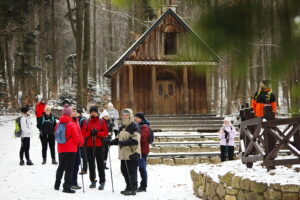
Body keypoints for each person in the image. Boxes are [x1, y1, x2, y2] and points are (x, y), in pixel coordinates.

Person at [109, 109, 141, 196]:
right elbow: (119, 139)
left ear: (130, 115)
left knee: (131, 171)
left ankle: (133, 188)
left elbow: (135, 140)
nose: (125, 116)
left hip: (132, 153)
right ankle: (128, 187)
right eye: (123, 115)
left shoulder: (135, 126)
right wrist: (110, 142)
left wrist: (124, 143)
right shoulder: (122, 126)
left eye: (127, 115)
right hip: (123, 153)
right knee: (124, 171)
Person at [54, 105, 84, 194]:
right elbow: (77, 137)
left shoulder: (58, 123)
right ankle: (66, 187)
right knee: (69, 169)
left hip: (61, 148)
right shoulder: (72, 124)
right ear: (70, 114)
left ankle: (57, 184)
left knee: (61, 167)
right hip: (71, 149)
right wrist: (81, 143)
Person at [82, 105, 108, 190]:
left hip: (99, 145)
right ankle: (93, 180)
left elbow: (105, 133)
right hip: (89, 145)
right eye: (92, 112)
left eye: (95, 112)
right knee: (91, 164)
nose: (93, 113)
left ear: (97, 112)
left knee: (100, 164)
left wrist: (97, 133)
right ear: (90, 113)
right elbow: (83, 133)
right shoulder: (86, 122)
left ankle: (102, 181)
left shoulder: (101, 121)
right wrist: (90, 133)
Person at [134, 112, 150, 192]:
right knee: (138, 168)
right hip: (137, 150)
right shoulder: (137, 126)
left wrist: (133, 137)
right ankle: (137, 184)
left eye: (136, 117)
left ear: (141, 118)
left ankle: (143, 186)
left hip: (142, 151)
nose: (135, 119)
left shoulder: (145, 127)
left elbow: (142, 138)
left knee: (142, 168)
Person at [70, 108, 83, 190]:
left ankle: (75, 181)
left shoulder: (77, 121)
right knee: (73, 164)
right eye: (73, 112)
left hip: (78, 145)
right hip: (72, 146)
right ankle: (71, 182)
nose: (74, 113)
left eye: (75, 112)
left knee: (77, 163)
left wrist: (81, 141)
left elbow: (79, 133)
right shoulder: (71, 122)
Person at [75, 108, 88, 175]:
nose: (75, 113)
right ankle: (77, 167)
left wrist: (81, 138)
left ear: (79, 113)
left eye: (76, 112)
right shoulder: (76, 119)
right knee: (78, 154)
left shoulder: (82, 120)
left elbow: (83, 131)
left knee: (83, 154)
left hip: (83, 139)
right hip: (77, 139)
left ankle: (85, 169)